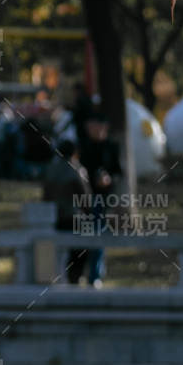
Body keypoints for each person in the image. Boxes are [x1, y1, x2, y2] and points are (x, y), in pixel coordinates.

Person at [76, 113, 121, 288]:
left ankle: (95, 275)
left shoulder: (112, 146)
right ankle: (79, 272)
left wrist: (108, 180)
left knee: (99, 235)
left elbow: (118, 172)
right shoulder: (82, 146)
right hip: (83, 199)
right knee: (84, 236)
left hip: (102, 199)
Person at [42, 140, 91, 284]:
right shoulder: (77, 170)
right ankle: (75, 277)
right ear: (75, 153)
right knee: (82, 248)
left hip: (53, 218)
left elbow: (45, 196)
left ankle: (53, 278)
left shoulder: (50, 169)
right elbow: (85, 199)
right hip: (74, 218)